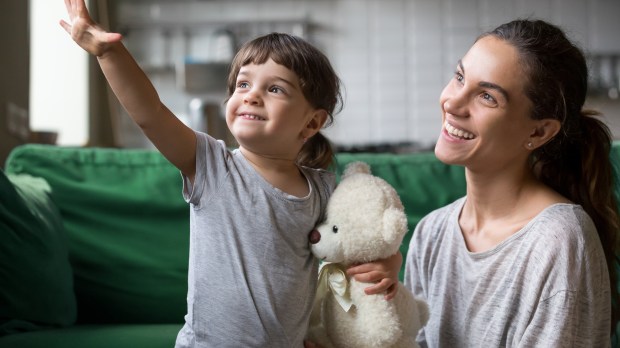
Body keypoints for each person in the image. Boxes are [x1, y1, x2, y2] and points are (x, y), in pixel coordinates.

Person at [60, 1, 402, 347]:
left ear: (312, 122)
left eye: (274, 89)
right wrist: (108, 53)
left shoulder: (324, 190)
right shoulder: (211, 165)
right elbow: (150, 112)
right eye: (243, 85)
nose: (251, 95)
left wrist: (390, 263)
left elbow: (368, 239)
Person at [404, 18, 620, 347]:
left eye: (487, 97)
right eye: (460, 77)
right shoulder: (431, 233)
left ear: (539, 132)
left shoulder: (558, 241)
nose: (452, 103)